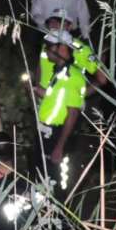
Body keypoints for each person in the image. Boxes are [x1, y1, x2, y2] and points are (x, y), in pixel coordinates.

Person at [31, 30, 87, 196]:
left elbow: (73, 113)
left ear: (62, 48)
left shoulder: (72, 77)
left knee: (58, 182)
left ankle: (61, 217)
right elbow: (53, 98)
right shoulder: (59, 72)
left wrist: (60, 146)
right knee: (42, 177)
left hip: (58, 136)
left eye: (49, 47)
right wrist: (34, 89)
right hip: (45, 133)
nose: (46, 50)